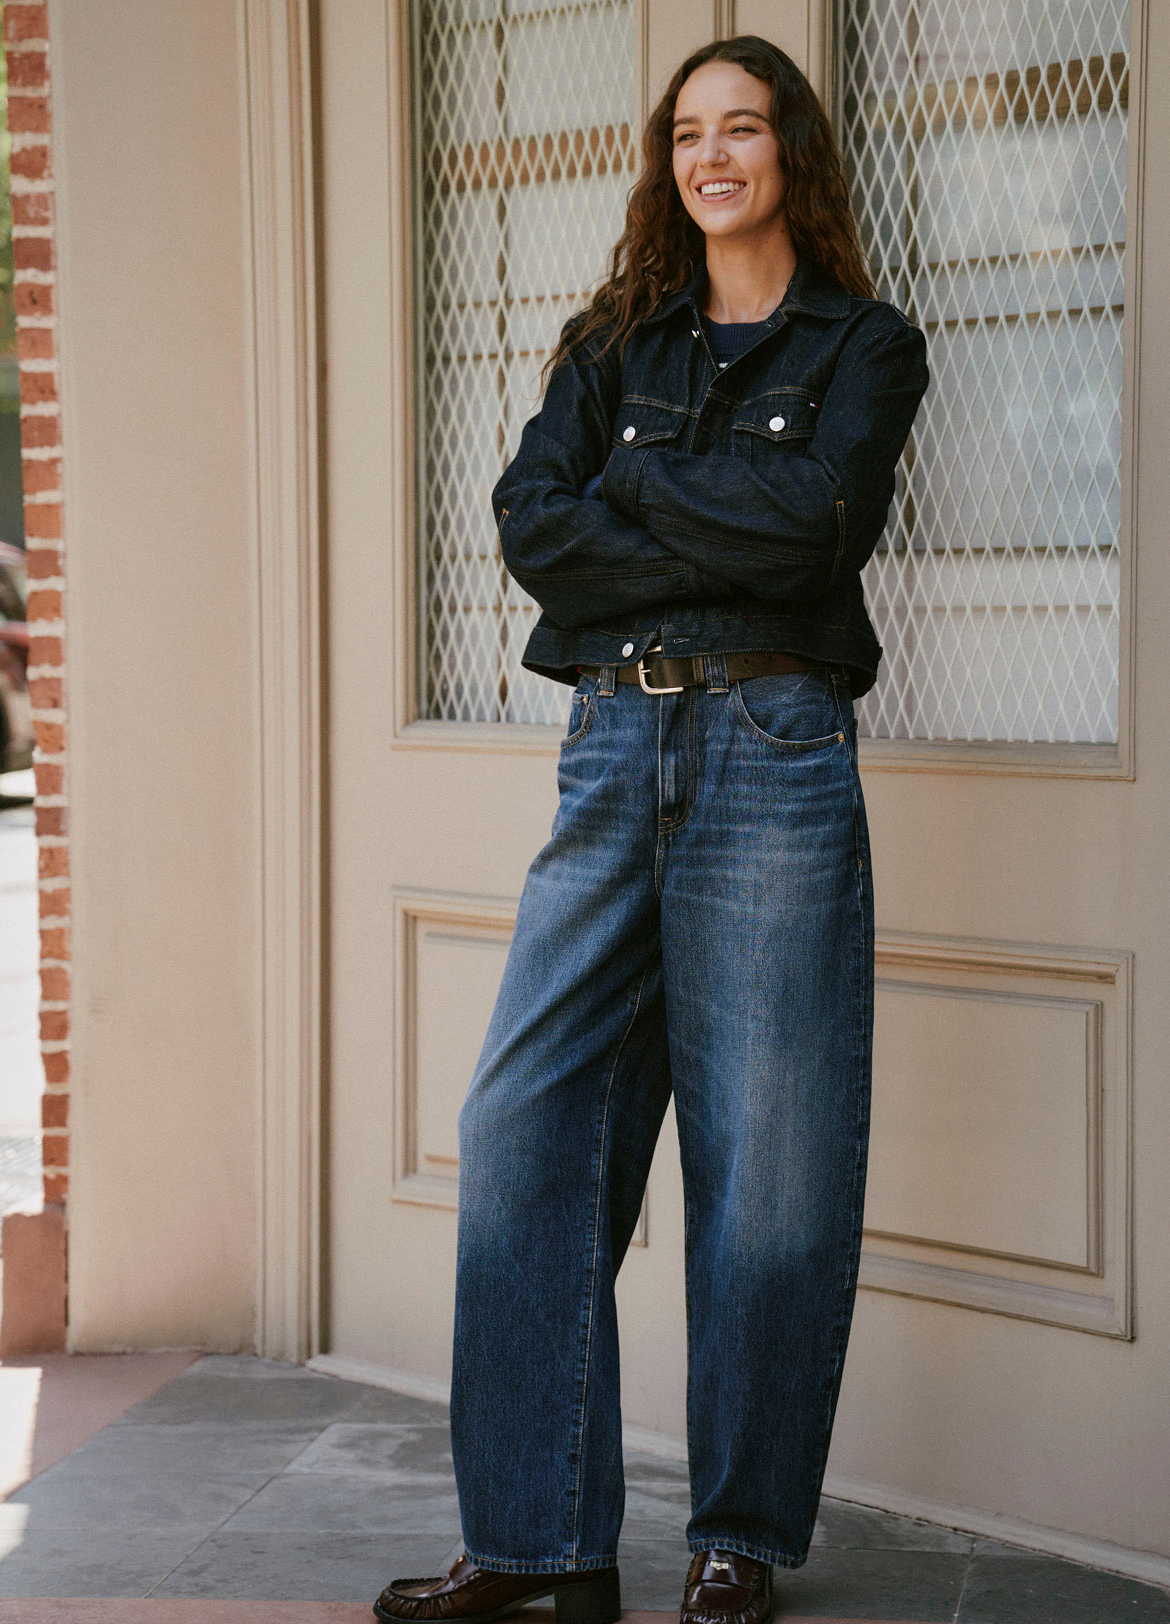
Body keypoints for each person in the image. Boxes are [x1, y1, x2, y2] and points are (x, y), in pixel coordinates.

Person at [374, 33, 928, 1624]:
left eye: (741, 129)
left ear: (786, 157)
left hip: (771, 746)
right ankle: (539, 1545)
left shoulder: (865, 346)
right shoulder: (611, 338)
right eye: (687, 133)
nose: (710, 157)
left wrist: (640, 501)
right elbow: (528, 526)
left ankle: (733, 1542)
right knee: (521, 1132)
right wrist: (706, 524)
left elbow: (821, 523)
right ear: (663, 164)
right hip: (610, 747)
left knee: (765, 1172)